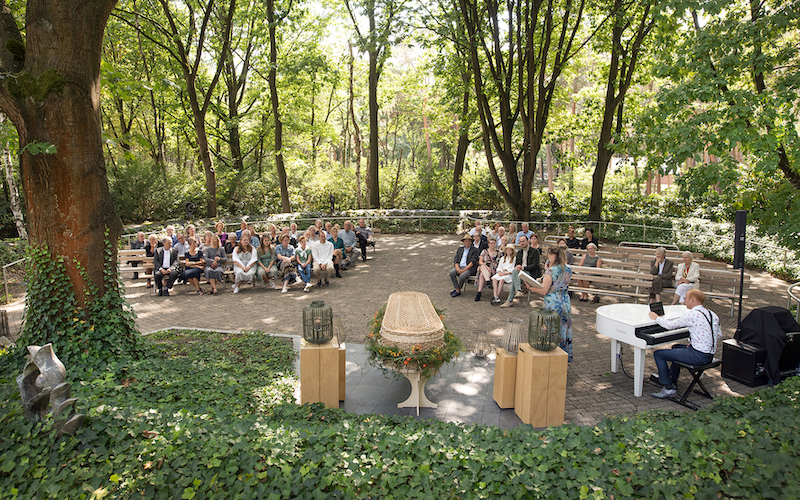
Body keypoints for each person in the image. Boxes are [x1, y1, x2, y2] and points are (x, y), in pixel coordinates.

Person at [648, 289, 721, 398]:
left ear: (692, 299)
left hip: (698, 355)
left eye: (685, 298)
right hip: (709, 355)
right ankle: (672, 380)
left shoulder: (692, 314)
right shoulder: (712, 314)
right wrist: (694, 342)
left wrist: (656, 318)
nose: (684, 300)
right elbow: (718, 334)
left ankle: (668, 387)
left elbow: (670, 326)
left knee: (659, 354)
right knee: (675, 347)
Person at [531, 246, 574, 361]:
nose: (548, 257)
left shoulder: (551, 270)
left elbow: (545, 290)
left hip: (553, 302)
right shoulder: (568, 268)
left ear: (554, 256)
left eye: (549, 255)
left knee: (552, 328)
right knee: (564, 327)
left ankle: (553, 355)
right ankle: (564, 354)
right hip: (565, 300)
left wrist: (531, 288)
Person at [501, 235, 541, 308]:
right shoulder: (520, 253)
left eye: (523, 241)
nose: (522, 243)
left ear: (528, 241)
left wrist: (523, 268)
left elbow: (536, 265)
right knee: (515, 271)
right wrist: (518, 267)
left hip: (531, 274)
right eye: (520, 242)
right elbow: (516, 264)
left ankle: (510, 299)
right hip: (520, 274)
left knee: (515, 274)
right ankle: (518, 291)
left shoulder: (535, 251)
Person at [475, 237, 500, 302]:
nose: (492, 245)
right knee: (482, 266)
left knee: (482, 275)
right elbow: (480, 262)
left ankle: (479, 293)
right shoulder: (484, 251)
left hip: (494, 270)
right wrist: (487, 267)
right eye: (491, 243)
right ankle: (488, 281)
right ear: (488, 244)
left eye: (494, 243)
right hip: (485, 268)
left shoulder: (499, 252)